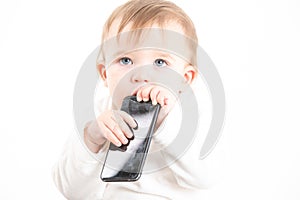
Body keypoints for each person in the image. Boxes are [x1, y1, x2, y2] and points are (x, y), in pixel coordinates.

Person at [53, 0, 223, 199]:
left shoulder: (194, 115)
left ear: (184, 80)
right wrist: (91, 139)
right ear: (105, 74)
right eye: (125, 60)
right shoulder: (99, 114)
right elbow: (72, 191)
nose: (141, 75)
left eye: (160, 62)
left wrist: (164, 124)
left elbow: (204, 178)